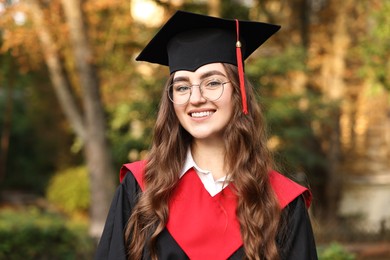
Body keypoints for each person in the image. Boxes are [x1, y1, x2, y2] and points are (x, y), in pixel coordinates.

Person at [95, 10, 318, 260]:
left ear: (239, 92)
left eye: (212, 83)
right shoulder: (140, 190)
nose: (196, 98)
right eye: (182, 87)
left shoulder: (281, 202)